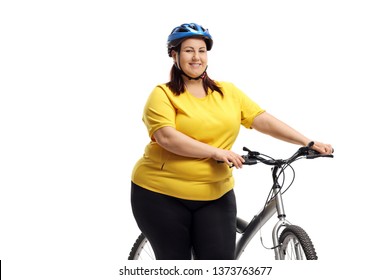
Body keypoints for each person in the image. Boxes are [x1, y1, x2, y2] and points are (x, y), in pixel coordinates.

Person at [130, 22, 333, 260]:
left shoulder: (227, 92)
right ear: (174, 54)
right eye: (188, 50)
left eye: (202, 51)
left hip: (215, 193)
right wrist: (217, 152)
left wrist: (307, 141)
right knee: (176, 265)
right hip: (161, 194)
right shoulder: (162, 94)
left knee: (221, 265)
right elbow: (167, 137)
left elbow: (261, 120)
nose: (196, 57)